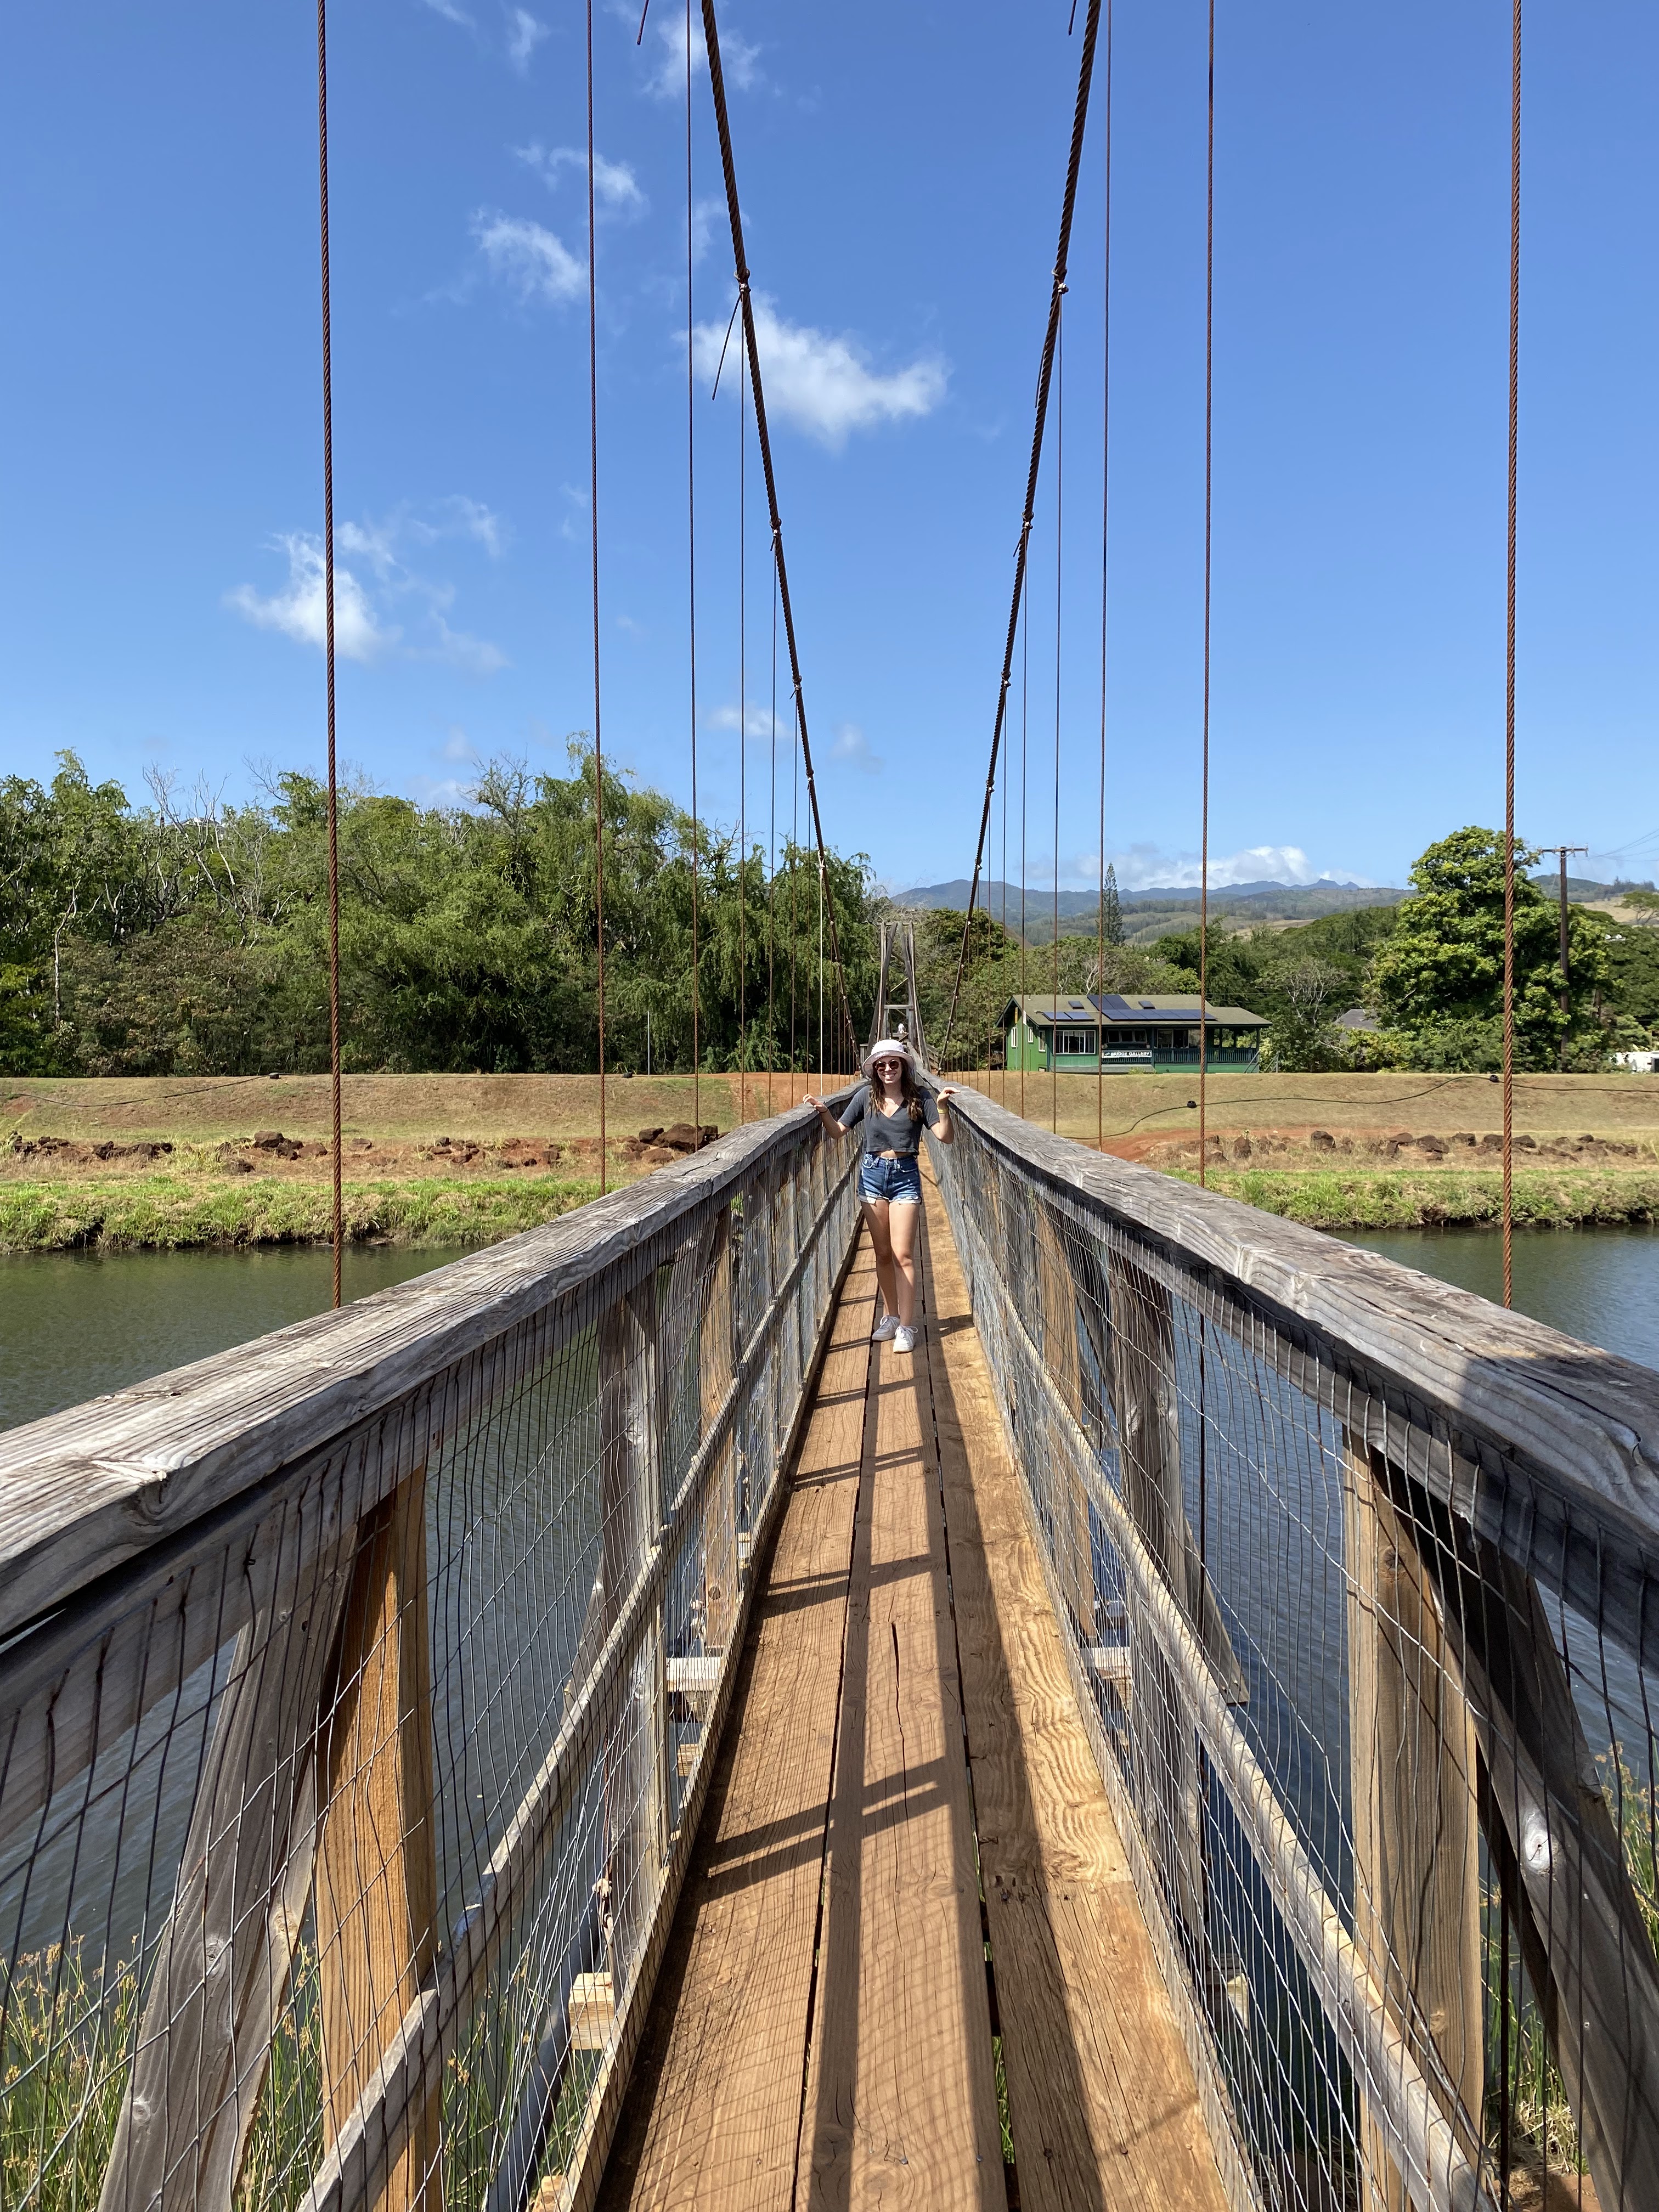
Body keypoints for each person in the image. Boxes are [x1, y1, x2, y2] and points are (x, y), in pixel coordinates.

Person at [804, 1041, 956, 1354]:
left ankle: (906, 1327)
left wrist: (942, 1107)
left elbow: (945, 1136)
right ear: (875, 1069)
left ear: (904, 1066)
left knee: (903, 1255)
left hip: (905, 1176)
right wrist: (823, 1112)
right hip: (872, 1176)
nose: (888, 1070)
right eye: (881, 1065)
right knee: (883, 1253)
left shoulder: (920, 1097)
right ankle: (891, 1316)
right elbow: (839, 1131)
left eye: (894, 1064)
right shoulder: (865, 1097)